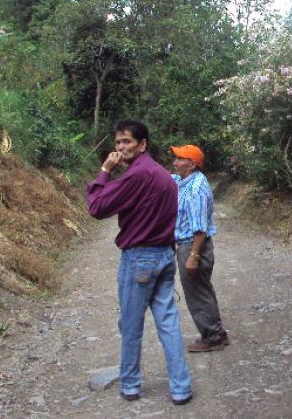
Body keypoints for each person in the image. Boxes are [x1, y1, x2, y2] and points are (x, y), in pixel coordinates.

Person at [87, 120, 193, 405]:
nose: (121, 147)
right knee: (168, 322)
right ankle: (181, 387)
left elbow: (96, 207)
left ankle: (131, 385)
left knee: (131, 325)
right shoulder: (162, 174)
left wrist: (105, 170)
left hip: (140, 259)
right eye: (118, 142)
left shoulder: (136, 176)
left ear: (142, 144)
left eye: (127, 142)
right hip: (164, 256)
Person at [170, 144, 230, 352]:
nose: (175, 162)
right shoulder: (185, 181)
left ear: (192, 164)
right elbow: (167, 178)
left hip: (193, 246)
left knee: (196, 292)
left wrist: (193, 256)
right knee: (203, 288)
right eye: (175, 158)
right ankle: (217, 332)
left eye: (180, 159)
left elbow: (200, 229)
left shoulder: (197, 189)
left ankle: (212, 337)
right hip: (188, 246)